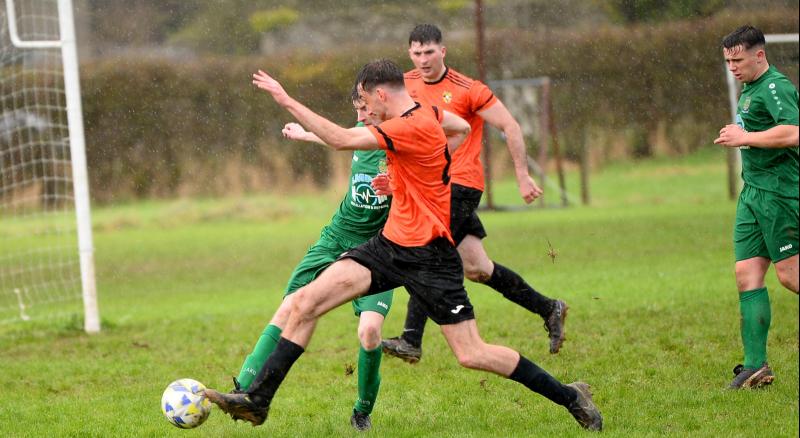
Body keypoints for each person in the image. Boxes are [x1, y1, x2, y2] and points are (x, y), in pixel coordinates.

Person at [204, 59, 603, 431]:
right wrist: (415, 176)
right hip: (389, 246)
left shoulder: (408, 126)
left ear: (380, 95)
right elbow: (461, 129)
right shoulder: (429, 114)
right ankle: (258, 400)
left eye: (363, 101)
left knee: (472, 354)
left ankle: (570, 396)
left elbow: (342, 140)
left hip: (431, 258)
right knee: (306, 302)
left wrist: (285, 98)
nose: (363, 110)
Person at [382, 24, 568, 364]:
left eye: (429, 52)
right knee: (477, 268)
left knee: (424, 250)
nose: (423, 59)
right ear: (409, 53)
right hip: (426, 186)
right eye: (417, 52)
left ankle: (411, 339)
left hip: (460, 185)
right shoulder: (403, 85)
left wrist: (523, 176)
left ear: (443, 51)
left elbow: (510, 126)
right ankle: (548, 307)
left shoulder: (468, 89)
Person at [230, 89, 394, 431]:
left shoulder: (402, 141)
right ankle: (243, 390)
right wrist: (306, 134)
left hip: (379, 248)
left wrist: (399, 187)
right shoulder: (358, 135)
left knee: (369, 332)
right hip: (335, 239)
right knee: (289, 308)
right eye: (358, 111)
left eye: (366, 110)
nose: (361, 117)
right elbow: (337, 139)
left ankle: (362, 411)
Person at [714, 25, 799, 390]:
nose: (733, 67)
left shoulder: (776, 86)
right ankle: (755, 366)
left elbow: (794, 131)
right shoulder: (749, 88)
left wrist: (745, 136)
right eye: (728, 61)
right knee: (746, 274)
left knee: (790, 276)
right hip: (753, 194)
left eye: (738, 59)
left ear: (759, 55)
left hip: (780, 193)